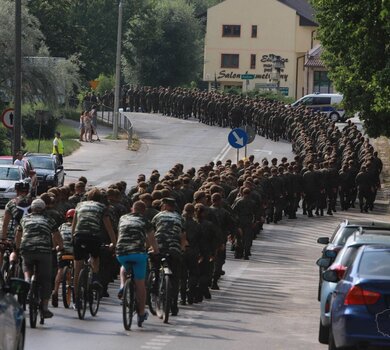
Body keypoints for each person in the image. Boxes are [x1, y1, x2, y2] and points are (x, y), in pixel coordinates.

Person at [15, 199, 64, 319]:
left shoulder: (25, 219)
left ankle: (27, 280)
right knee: (46, 279)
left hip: (27, 248)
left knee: (26, 265)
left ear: (31, 208)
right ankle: (45, 308)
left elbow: (18, 235)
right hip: (44, 251)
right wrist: (61, 247)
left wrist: (17, 248)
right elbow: (56, 235)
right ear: (44, 209)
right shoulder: (49, 219)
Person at [116, 201, 159, 327]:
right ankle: (141, 313)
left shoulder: (123, 218)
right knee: (140, 284)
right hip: (138, 254)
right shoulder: (146, 221)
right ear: (144, 211)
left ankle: (123, 285)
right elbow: (151, 239)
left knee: (124, 266)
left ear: (131, 209)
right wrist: (155, 250)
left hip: (121, 252)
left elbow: (121, 234)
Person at [71, 188, 117, 307]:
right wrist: (114, 243)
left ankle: (76, 299)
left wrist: (72, 238)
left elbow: (74, 224)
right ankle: (95, 278)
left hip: (79, 236)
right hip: (94, 237)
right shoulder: (102, 208)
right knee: (95, 258)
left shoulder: (79, 205)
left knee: (77, 268)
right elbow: (108, 227)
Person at [151, 197, 186, 316]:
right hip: (174, 249)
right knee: (175, 278)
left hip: (159, 248)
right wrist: (181, 250)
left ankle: (154, 291)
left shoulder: (158, 216)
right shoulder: (179, 217)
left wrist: (150, 247)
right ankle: (174, 306)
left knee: (155, 269)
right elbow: (183, 236)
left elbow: (151, 232)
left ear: (164, 206)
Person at [51, 209, 75, 307]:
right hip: (74, 252)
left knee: (60, 270)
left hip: (62, 251)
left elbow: (54, 236)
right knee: (78, 267)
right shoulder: (77, 226)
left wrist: (55, 246)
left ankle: (55, 291)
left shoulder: (62, 226)